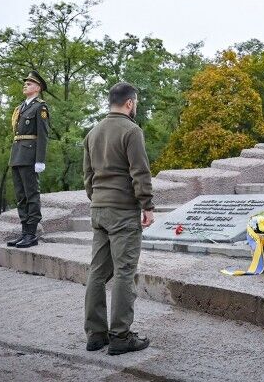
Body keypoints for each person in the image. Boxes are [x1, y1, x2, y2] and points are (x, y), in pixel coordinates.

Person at [82, 82, 156, 355]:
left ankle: (96, 335)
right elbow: (140, 172)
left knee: (97, 273)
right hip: (123, 213)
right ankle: (121, 336)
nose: (134, 106)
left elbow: (88, 177)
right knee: (124, 273)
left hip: (99, 210)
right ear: (129, 103)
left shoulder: (93, 132)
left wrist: (98, 199)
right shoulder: (131, 131)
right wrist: (147, 205)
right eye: (134, 103)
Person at [7, 71, 50, 249]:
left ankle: (31, 234)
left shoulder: (40, 107)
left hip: (30, 155)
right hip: (17, 154)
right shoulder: (21, 107)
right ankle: (24, 232)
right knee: (21, 196)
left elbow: (43, 135)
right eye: (25, 83)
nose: (26, 85)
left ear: (38, 88)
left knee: (31, 195)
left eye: (30, 83)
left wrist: (40, 160)